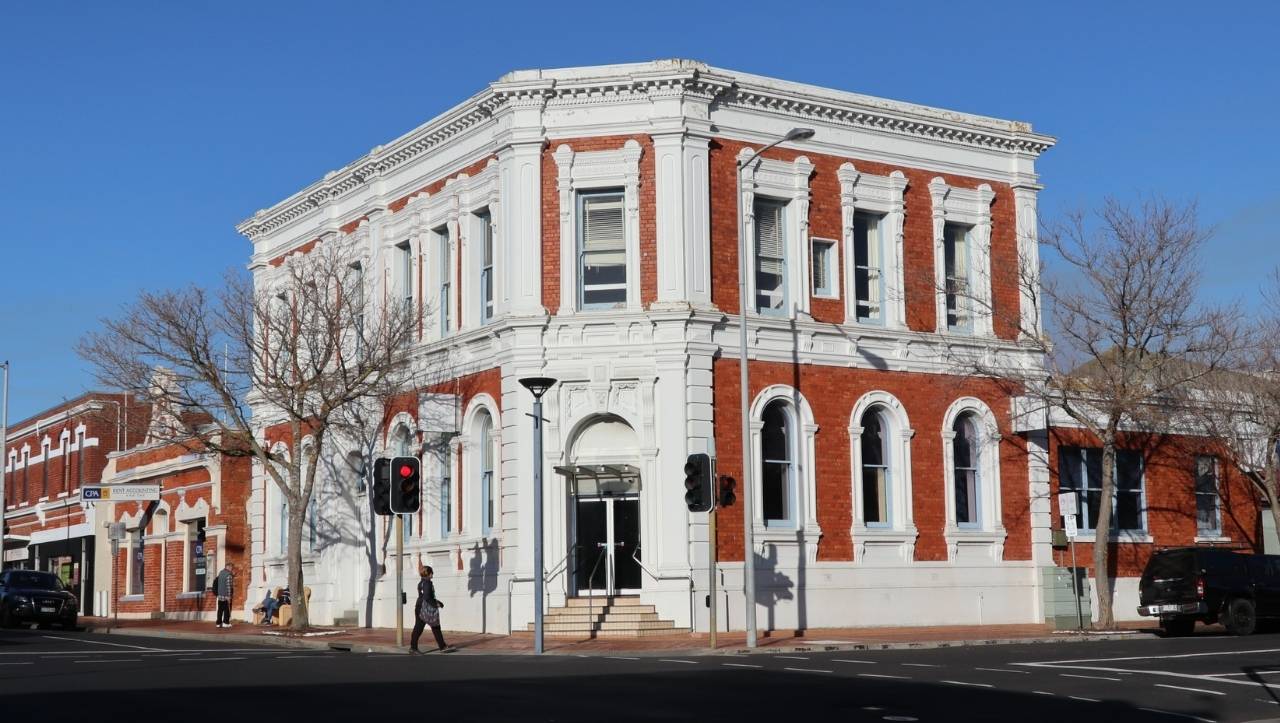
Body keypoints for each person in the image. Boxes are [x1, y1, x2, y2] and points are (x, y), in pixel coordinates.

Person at [410, 554, 455, 654]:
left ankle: (413, 647)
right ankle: (442, 647)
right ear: (428, 573)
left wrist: (436, 602)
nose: (432, 574)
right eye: (431, 573)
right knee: (433, 626)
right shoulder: (427, 583)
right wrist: (437, 603)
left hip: (419, 607)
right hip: (425, 608)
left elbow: (424, 596)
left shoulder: (421, 583)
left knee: (419, 627)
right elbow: (427, 597)